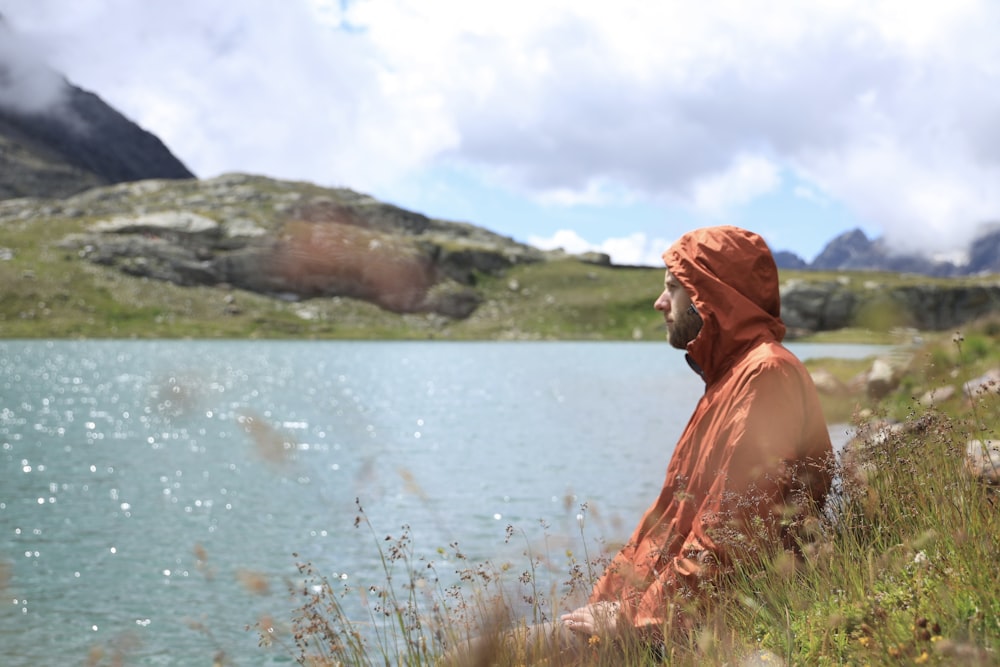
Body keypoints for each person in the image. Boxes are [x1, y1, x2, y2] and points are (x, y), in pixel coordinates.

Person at [560, 224, 833, 641]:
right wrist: (603, 604)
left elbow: (732, 531)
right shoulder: (726, 382)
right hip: (664, 615)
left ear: (712, 295)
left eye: (673, 287)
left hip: (706, 626)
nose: (659, 302)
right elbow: (665, 522)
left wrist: (630, 621)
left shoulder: (766, 374)